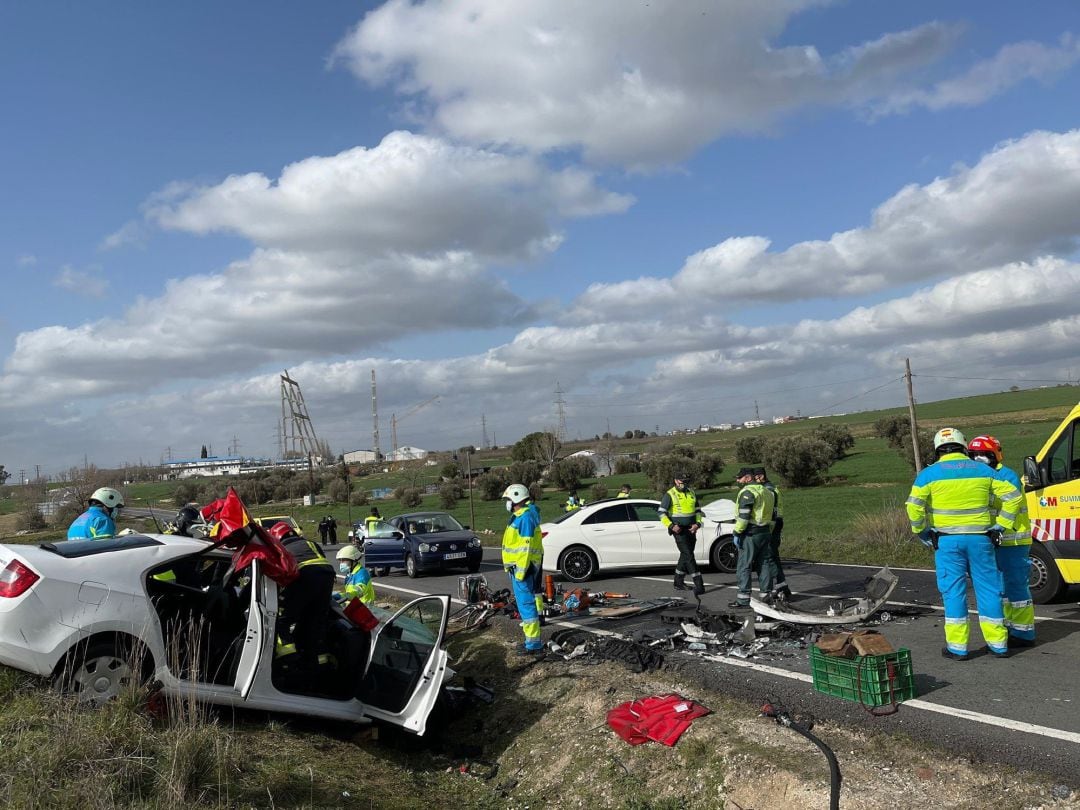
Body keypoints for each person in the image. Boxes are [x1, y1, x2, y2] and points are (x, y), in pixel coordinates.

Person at [906, 427, 1023, 660]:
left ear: (938, 449)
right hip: (981, 539)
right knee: (989, 589)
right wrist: (1001, 525)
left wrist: (922, 531)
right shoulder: (982, 470)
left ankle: (958, 647)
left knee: (953, 592)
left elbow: (914, 507)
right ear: (963, 446)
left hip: (947, 542)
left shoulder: (929, 475)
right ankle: (998, 644)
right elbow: (1013, 497)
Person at [968, 434, 1035, 647]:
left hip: (1012, 541)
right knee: (1000, 588)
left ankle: (1024, 633)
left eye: (984, 454)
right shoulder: (979, 477)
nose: (979, 459)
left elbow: (1006, 504)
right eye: (975, 455)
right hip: (994, 542)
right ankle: (1008, 626)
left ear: (995, 455)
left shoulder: (1006, 475)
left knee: (1015, 587)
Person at [269, 522, 337, 673]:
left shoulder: (279, 548)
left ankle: (289, 662)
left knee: (281, 621)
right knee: (316, 622)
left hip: (304, 575)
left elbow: (280, 573)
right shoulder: (310, 543)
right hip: (327, 575)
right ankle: (320, 664)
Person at [501, 483, 545, 654]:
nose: (507, 503)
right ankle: (530, 641)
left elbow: (525, 548)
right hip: (522, 567)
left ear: (516, 499)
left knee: (526, 605)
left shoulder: (525, 518)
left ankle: (533, 644)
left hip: (523, 568)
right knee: (526, 604)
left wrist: (520, 572)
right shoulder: (522, 515)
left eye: (509, 500)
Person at [729, 467, 777, 608]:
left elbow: (744, 516)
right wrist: (769, 531)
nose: (738, 480)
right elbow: (773, 516)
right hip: (765, 532)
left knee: (744, 566)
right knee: (764, 564)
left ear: (748, 478)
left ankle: (743, 599)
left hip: (750, 533)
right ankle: (766, 596)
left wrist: (737, 532)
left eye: (740, 478)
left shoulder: (747, 492)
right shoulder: (768, 492)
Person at [658, 472, 706, 596]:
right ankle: (699, 585)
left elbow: (698, 511)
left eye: (685, 481)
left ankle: (678, 582)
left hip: (691, 529)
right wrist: (671, 526)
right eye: (681, 481)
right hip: (678, 530)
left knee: (685, 555)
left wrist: (698, 524)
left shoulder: (691, 492)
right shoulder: (670, 494)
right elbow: (661, 513)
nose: (683, 483)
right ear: (675, 481)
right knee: (689, 556)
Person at [755, 467, 789, 599]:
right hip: (777, 522)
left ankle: (780, 587)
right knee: (773, 555)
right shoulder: (773, 487)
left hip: (772, 524)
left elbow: (769, 510)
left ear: (761, 476)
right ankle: (783, 587)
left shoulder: (768, 490)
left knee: (769, 556)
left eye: (757, 477)